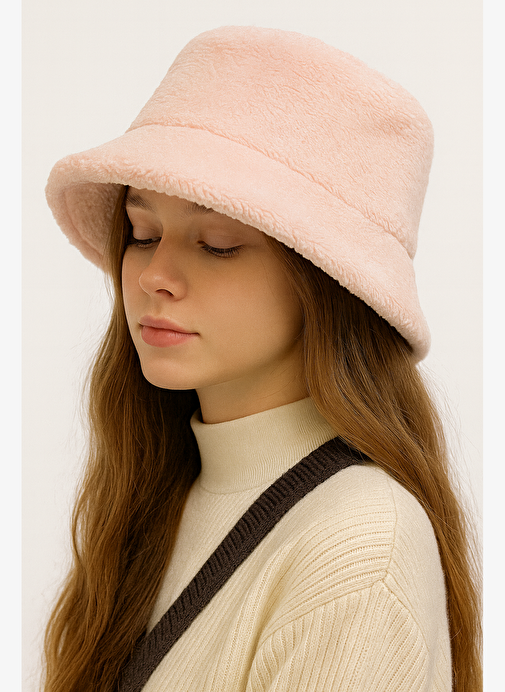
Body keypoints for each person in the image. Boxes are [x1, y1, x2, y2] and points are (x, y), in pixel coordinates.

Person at [43, 25, 481, 692]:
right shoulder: (155, 500)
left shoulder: (359, 551)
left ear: (328, 283)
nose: (154, 275)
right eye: (142, 231)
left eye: (217, 243)